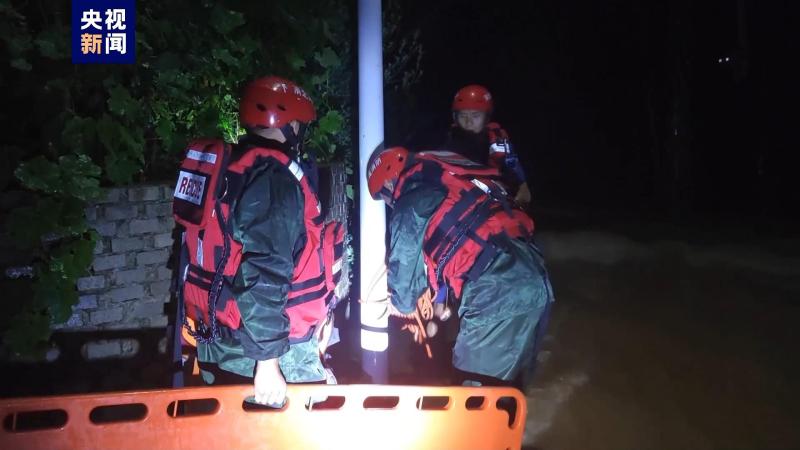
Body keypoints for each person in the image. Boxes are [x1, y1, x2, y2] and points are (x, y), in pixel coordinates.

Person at [172, 76, 344, 407]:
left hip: (222, 339)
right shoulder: (272, 179)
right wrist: (268, 364)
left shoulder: (230, 169)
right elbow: (264, 272)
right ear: (292, 124)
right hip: (266, 352)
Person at [367, 146, 554, 388]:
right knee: (511, 393)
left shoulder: (411, 197)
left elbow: (404, 287)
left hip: (498, 291)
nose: (389, 204)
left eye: (384, 197)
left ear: (389, 183)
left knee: (472, 400)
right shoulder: (448, 180)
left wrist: (395, 302)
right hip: (536, 281)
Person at [445, 84, 532, 209]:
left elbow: (514, 170)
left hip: (489, 199)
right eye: (463, 115)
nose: (468, 121)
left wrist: (523, 188)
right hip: (455, 196)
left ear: (486, 117)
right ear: (455, 117)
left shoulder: (496, 142)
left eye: (475, 116)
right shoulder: (448, 138)